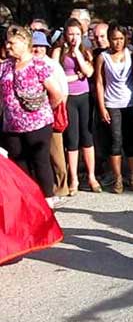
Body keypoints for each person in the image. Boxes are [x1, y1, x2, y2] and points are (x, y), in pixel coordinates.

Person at [0, 26, 65, 208]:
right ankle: (29, 203)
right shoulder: (5, 66)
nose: (8, 45)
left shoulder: (38, 65)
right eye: (7, 41)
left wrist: (43, 111)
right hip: (12, 126)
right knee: (19, 166)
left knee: (40, 162)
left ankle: (47, 203)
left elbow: (56, 93)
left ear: (24, 43)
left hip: (38, 124)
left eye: (12, 42)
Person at [95, 24, 133, 194]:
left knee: (130, 140)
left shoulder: (131, 53)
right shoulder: (103, 57)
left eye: (121, 38)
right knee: (116, 140)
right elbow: (99, 82)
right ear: (109, 39)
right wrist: (102, 107)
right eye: (114, 39)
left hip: (130, 102)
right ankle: (118, 177)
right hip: (112, 102)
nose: (118, 42)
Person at [60, 18, 100, 193]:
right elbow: (59, 77)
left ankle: (91, 176)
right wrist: (76, 77)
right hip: (68, 97)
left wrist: (77, 53)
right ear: (66, 35)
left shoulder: (85, 51)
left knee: (87, 137)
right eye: (71, 34)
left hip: (83, 97)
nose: (74, 37)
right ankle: (74, 178)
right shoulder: (59, 52)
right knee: (72, 139)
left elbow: (89, 72)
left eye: (77, 34)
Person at [30, 29, 70, 197]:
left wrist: (54, 109)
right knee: (39, 155)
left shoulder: (52, 65)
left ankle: (62, 187)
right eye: (34, 46)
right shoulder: (27, 64)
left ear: (46, 48)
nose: (37, 49)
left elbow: (63, 92)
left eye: (40, 46)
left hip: (51, 113)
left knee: (56, 153)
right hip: (32, 118)